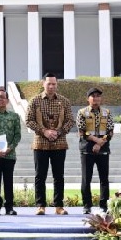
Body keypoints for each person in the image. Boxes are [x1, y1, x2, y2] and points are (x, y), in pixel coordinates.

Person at [25, 73, 74, 215]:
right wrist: (44, 131)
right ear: (43, 84)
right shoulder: (35, 101)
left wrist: (58, 132)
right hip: (40, 143)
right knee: (40, 175)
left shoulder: (64, 101)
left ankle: (59, 206)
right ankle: (41, 205)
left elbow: (70, 120)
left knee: (59, 176)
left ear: (57, 85)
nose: (51, 86)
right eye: (49, 84)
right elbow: (28, 120)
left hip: (59, 143)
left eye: (54, 84)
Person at [76, 86, 114, 214]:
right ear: (88, 99)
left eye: (98, 96)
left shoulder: (107, 112)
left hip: (103, 150)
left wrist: (100, 142)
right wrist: (95, 140)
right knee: (86, 178)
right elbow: (82, 131)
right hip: (87, 149)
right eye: (93, 96)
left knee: (104, 178)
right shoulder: (82, 112)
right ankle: (87, 205)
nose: (96, 98)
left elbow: (110, 131)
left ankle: (104, 205)